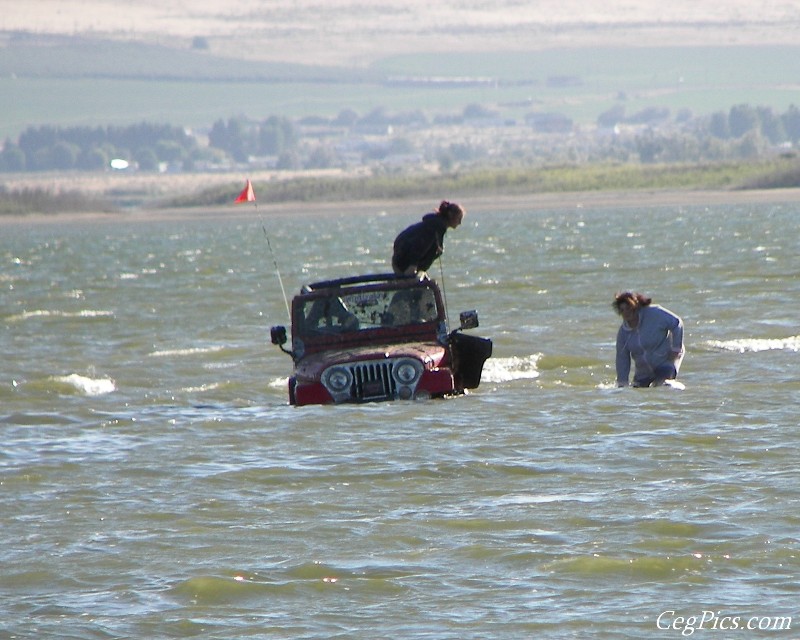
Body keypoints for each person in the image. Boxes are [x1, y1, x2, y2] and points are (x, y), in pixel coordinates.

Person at [613, 291, 685, 387]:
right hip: (643, 371)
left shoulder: (654, 314)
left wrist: (676, 348)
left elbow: (676, 323)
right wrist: (622, 383)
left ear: (635, 307)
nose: (626, 312)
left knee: (662, 385)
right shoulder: (623, 333)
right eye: (622, 310)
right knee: (638, 389)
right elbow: (622, 359)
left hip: (665, 361)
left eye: (628, 308)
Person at [391, 200, 465, 276]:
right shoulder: (434, 227)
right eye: (459, 219)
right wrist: (412, 266)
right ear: (450, 215)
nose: (460, 223)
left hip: (399, 260)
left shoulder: (436, 224)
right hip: (402, 263)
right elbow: (419, 246)